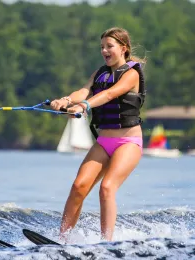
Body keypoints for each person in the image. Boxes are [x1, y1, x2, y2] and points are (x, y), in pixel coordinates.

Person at [50, 27, 146, 242]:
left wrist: (83, 106)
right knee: (78, 187)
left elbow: (110, 94)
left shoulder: (131, 74)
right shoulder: (100, 72)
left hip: (128, 141)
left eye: (109, 46)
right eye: (102, 47)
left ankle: (107, 244)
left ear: (123, 48)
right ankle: (62, 241)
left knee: (107, 187)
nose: (104, 50)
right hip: (104, 142)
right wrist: (66, 100)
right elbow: (84, 91)